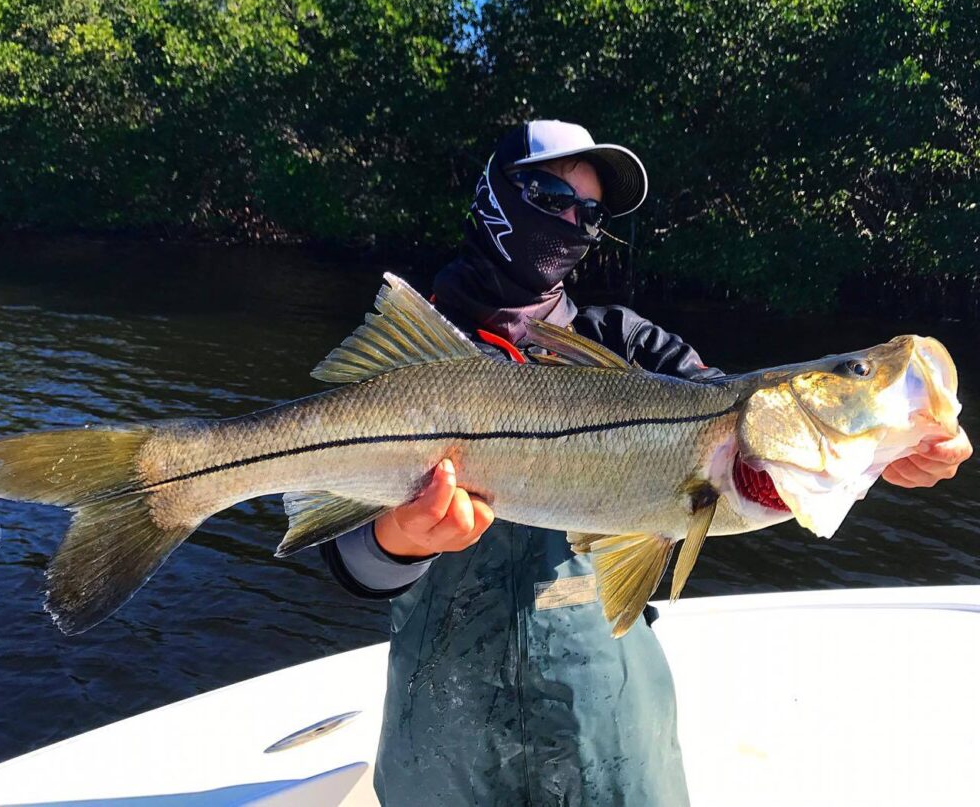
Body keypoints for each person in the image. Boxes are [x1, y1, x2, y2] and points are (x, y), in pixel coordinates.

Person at [320, 121, 973, 806]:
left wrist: (890, 453)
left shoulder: (626, 344)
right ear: (495, 196)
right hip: (440, 730)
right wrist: (399, 541)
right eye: (552, 195)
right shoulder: (408, 360)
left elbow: (725, 395)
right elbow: (345, 562)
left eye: (591, 213)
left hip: (602, 718)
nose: (573, 222)